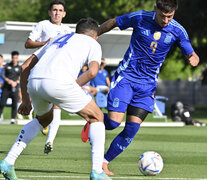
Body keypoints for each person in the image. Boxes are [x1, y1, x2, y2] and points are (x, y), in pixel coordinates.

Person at [81, 0, 199, 176]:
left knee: (131, 129)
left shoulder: (178, 30)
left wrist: (193, 58)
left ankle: (104, 162)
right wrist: (94, 35)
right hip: (126, 78)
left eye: (170, 16)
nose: (166, 21)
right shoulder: (140, 17)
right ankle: (93, 121)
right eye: (163, 16)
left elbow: (190, 51)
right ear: (155, 9)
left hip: (147, 86)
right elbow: (114, 22)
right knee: (113, 122)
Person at [0, 18, 112, 180]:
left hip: (35, 82)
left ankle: (8, 162)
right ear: (95, 36)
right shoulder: (93, 43)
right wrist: (73, 87)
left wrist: (25, 100)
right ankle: (97, 171)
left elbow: (25, 67)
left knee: (44, 119)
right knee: (97, 117)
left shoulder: (59, 38)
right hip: (59, 83)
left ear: (76, 31)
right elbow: (93, 72)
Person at [25, 0, 72, 154]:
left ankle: (50, 141)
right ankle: (41, 118)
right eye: (54, 10)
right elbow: (28, 43)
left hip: (58, 72)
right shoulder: (43, 25)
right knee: (44, 111)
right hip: (41, 70)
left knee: (56, 105)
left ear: (64, 14)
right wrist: (46, 43)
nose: (57, 13)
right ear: (49, 12)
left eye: (60, 10)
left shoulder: (67, 30)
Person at [0, 51, 21, 124]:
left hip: (14, 88)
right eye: (13, 58)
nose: (15, 59)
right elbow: (2, 75)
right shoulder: (7, 66)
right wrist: (8, 80)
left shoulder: (19, 67)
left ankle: (12, 119)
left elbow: (21, 77)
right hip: (6, 88)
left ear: (17, 58)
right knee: (2, 103)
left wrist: (16, 82)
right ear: (12, 58)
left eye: (16, 58)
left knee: (14, 104)